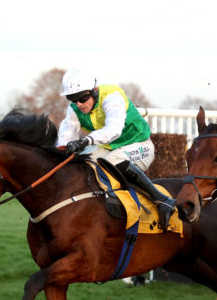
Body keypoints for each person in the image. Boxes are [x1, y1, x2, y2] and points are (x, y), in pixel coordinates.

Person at [57, 69, 175, 230]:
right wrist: (62, 148)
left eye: (83, 98)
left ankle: (161, 198)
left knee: (111, 161)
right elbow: (68, 128)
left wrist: (85, 140)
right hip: (109, 148)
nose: (78, 104)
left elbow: (114, 129)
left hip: (140, 147)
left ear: (94, 91)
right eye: (72, 99)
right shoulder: (75, 108)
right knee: (83, 162)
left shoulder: (112, 97)